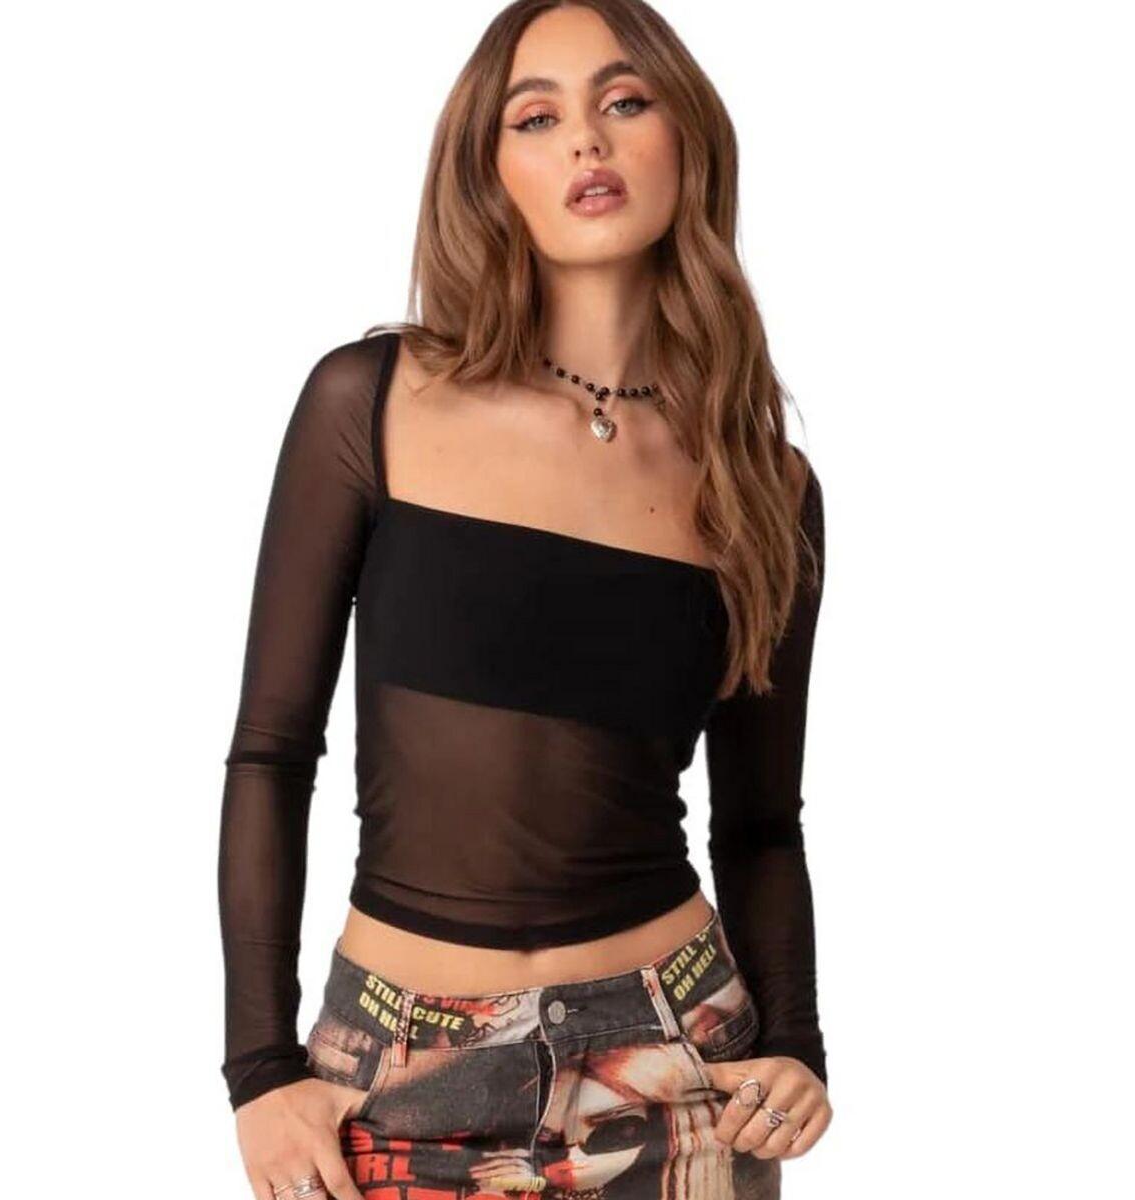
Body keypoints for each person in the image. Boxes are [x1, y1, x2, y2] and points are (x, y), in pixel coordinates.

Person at [218, 2, 834, 1196]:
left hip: (682, 1064)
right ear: (488, 170)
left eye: (624, 101)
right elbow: (271, 752)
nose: (586, 141)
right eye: (536, 117)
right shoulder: (373, 402)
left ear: (687, 137)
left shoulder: (765, 486)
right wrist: (258, 1070)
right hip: (399, 1070)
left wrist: (798, 1046)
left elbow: (762, 822)